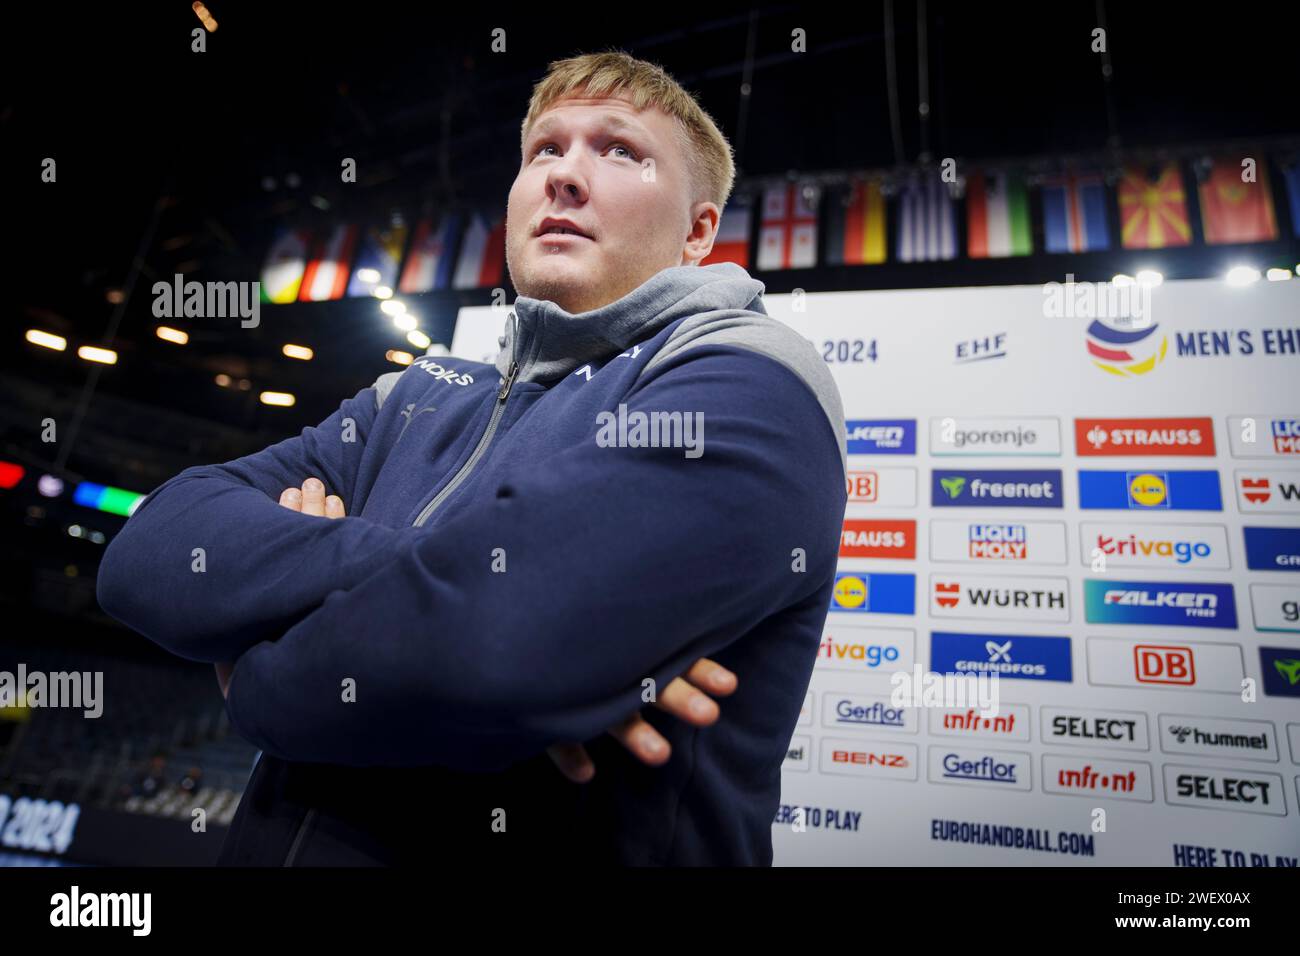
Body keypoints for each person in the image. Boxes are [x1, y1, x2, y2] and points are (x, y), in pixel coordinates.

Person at [97, 50, 847, 865]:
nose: (564, 175)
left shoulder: (755, 376)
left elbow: (500, 645)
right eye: (544, 150)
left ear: (699, 231)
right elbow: (149, 552)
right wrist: (458, 575)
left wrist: (254, 680)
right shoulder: (412, 394)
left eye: (620, 149)